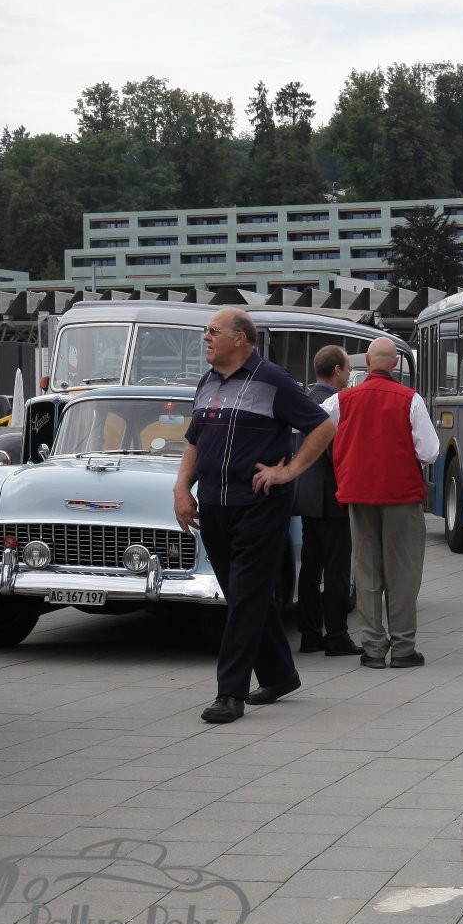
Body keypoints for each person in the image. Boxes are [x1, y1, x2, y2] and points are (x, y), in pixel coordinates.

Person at [174, 309, 335, 724]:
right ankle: (280, 674)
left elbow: (323, 427)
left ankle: (230, 693)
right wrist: (182, 488)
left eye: (213, 331)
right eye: (206, 332)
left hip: (259, 505)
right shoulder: (207, 382)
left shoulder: (273, 380)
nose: (206, 337)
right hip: (213, 505)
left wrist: (290, 471)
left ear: (240, 338)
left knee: (245, 596)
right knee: (244, 594)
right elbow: (194, 441)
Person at [326, 338, 439, 669]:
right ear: (394, 364)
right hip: (401, 496)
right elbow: (429, 451)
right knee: (403, 572)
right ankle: (403, 648)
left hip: (358, 493)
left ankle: (373, 648)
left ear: (368, 362)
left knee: (366, 571)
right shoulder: (410, 399)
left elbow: (315, 428)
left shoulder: (341, 399)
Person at [294, 345, 357, 658]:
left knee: (310, 568)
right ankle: (336, 635)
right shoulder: (336, 405)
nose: (349, 374)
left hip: (307, 496)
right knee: (337, 569)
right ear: (336, 370)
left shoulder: (304, 400)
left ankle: (309, 634)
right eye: (347, 368)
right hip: (333, 497)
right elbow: (339, 454)